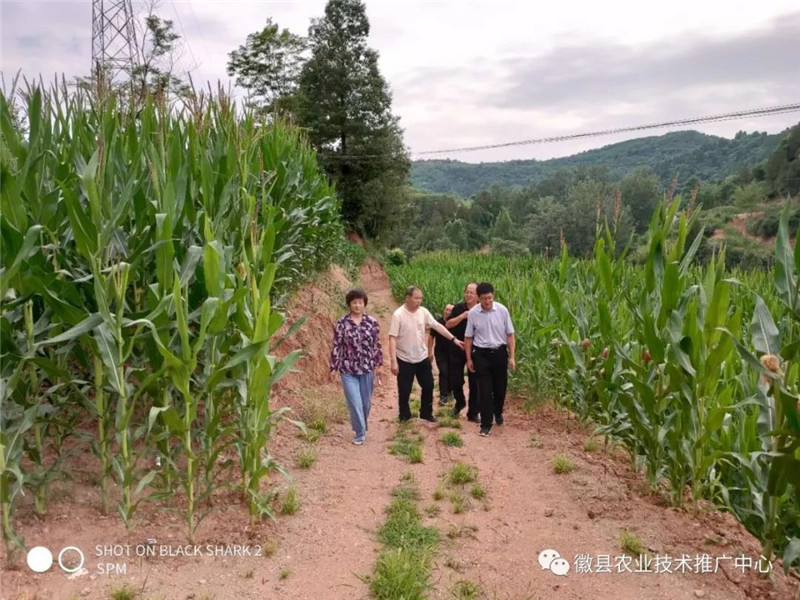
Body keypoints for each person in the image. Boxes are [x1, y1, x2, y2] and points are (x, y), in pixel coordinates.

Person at [389, 286, 464, 423]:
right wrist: (393, 361)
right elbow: (392, 338)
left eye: (421, 298)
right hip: (404, 358)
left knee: (429, 385)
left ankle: (426, 412)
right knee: (405, 389)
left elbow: (437, 326)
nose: (419, 301)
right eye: (416, 298)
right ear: (407, 298)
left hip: (421, 357)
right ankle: (404, 415)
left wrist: (453, 339)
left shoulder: (423, 312)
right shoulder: (398, 315)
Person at [330, 289, 383, 445]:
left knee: (365, 403)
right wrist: (333, 367)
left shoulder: (372, 322)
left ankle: (362, 424)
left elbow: (377, 345)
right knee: (354, 401)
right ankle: (360, 433)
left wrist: (379, 364)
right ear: (349, 304)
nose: (357, 305)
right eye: (354, 302)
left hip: (367, 368)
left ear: (364, 304)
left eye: (360, 302)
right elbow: (336, 346)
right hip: (348, 369)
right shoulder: (341, 323)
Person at [465, 282, 516, 437]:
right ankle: (486, 424)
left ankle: (498, 411)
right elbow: (468, 338)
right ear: (478, 299)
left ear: (493, 296)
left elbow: (510, 335)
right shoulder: (473, 313)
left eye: (489, 298)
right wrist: (469, 359)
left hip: (500, 354)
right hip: (481, 355)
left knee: (500, 389)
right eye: (484, 299)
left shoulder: (502, 310)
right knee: (485, 391)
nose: (487, 302)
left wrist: (512, 356)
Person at [446, 283, 480, 422]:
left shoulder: (481, 310)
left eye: (472, 292)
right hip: (458, 348)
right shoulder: (459, 308)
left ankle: (473, 412)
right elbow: (448, 324)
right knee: (455, 379)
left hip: (475, 350)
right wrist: (462, 316)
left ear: (477, 296)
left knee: (475, 383)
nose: (469, 295)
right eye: (467, 292)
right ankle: (460, 402)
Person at [428, 303, 455, 405]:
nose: (448, 312)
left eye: (451, 310)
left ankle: (450, 391)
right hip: (440, 352)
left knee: (451, 372)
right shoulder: (437, 323)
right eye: (447, 309)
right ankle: (443, 395)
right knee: (443, 372)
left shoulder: (455, 323)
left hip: (453, 352)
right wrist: (430, 351)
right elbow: (431, 337)